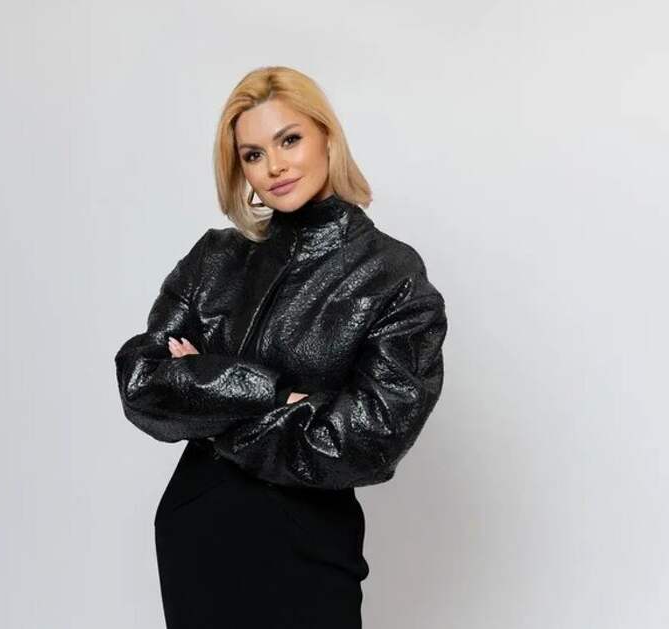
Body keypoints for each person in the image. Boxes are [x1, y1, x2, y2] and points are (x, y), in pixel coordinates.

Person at [114, 65, 448, 629]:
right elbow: (142, 382)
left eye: (289, 139)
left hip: (307, 543)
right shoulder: (215, 258)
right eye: (253, 154)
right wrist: (277, 396)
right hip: (197, 531)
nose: (274, 166)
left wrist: (209, 389)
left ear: (327, 137)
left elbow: (369, 440)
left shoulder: (390, 274)